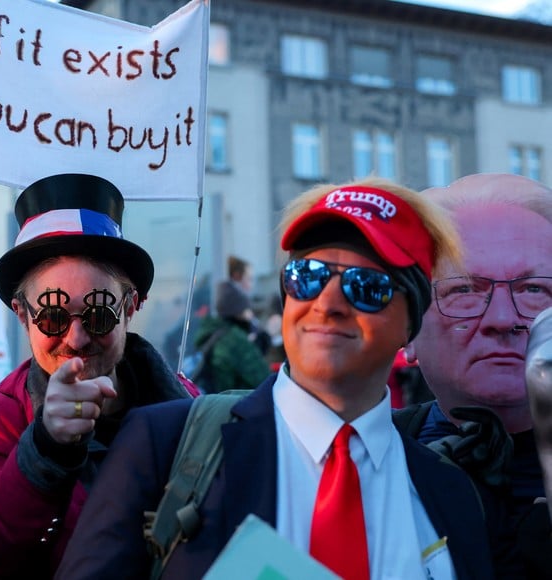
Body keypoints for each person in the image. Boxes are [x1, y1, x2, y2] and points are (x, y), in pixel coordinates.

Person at [58, 177, 499, 579]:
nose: (327, 303)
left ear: (410, 326)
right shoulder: (163, 443)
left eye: (366, 286)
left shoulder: (450, 493)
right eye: (307, 277)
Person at [0, 173, 198, 579]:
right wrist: (45, 450)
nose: (76, 338)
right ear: (22, 314)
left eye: (99, 313)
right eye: (52, 316)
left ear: (130, 307)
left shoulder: (191, 408)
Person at [394, 173, 552, 577]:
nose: (502, 319)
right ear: (407, 330)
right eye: (464, 290)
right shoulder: (352, 467)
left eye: (534, 289)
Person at [191, 255, 268, 392]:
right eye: (249, 279)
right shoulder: (236, 340)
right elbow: (264, 381)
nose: (251, 286)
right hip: (238, 405)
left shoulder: (211, 330)